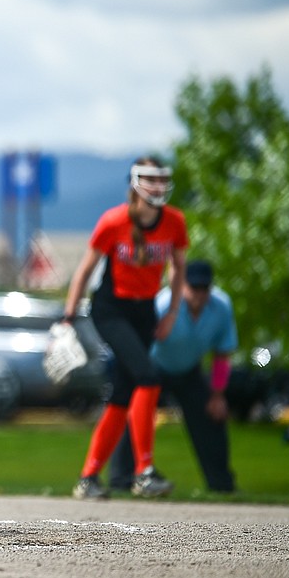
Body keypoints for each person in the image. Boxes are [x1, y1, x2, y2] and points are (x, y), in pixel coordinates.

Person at [62, 155, 188, 500]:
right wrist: (68, 315)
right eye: (150, 178)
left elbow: (178, 269)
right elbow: (86, 270)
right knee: (148, 377)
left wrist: (172, 312)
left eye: (162, 179)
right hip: (111, 309)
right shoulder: (114, 221)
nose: (158, 186)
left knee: (121, 394)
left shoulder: (174, 221)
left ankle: (88, 478)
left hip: (145, 311)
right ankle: (144, 472)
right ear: (134, 182)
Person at [107, 260, 238, 493]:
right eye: (193, 287)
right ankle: (122, 479)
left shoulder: (221, 307)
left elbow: (222, 353)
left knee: (212, 417)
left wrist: (217, 395)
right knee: (136, 414)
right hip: (154, 367)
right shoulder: (163, 304)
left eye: (203, 288)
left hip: (189, 370)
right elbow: (138, 343)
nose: (198, 294)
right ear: (182, 285)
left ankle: (221, 484)